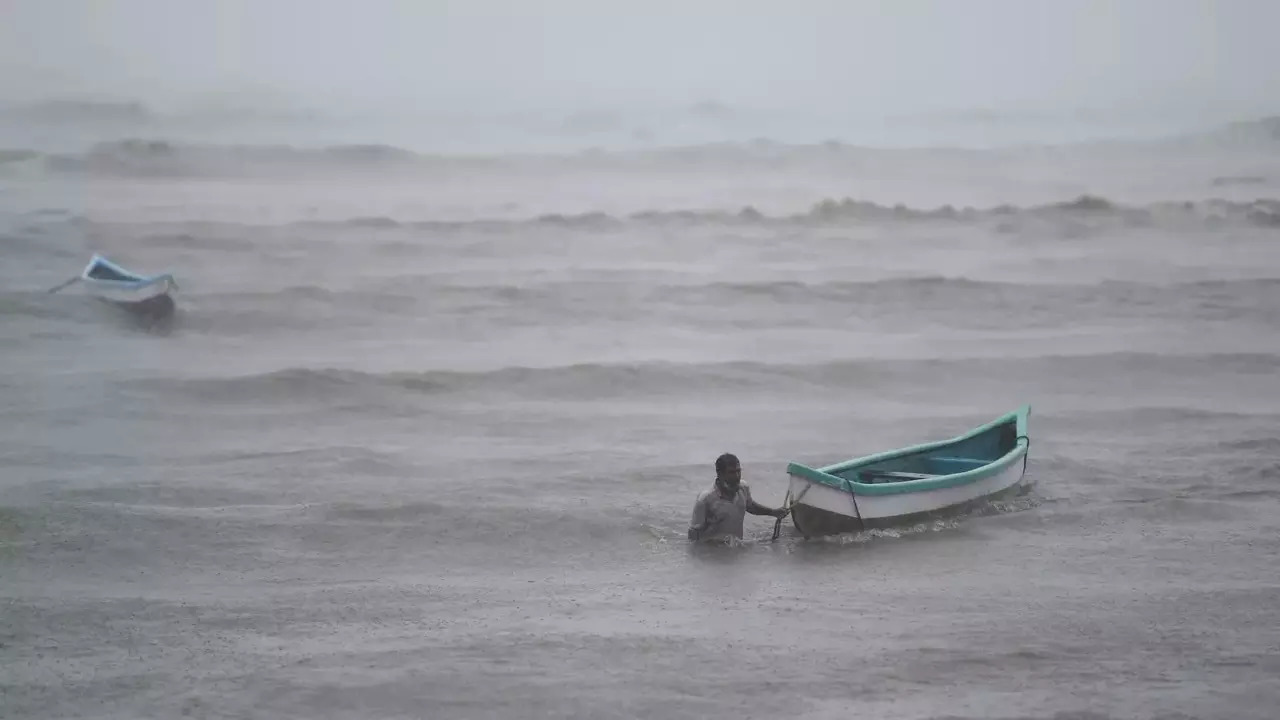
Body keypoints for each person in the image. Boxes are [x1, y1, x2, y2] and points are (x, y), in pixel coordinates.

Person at [688, 453, 788, 542]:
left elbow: (751, 506)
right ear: (720, 474)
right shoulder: (705, 499)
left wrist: (773, 512)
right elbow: (693, 534)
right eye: (731, 472)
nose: (737, 476)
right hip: (713, 553)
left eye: (738, 471)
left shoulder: (743, 488)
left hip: (736, 547)